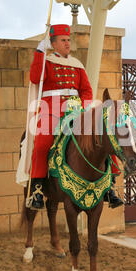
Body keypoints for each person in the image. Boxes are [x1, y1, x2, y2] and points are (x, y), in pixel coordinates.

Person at [28, 23, 123, 209]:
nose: (67, 44)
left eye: (68, 40)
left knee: (102, 138)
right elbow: (34, 77)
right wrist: (39, 53)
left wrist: (84, 107)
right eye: (63, 40)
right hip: (52, 111)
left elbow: (86, 90)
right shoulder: (45, 62)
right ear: (53, 44)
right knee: (42, 143)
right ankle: (37, 190)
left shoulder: (76, 65)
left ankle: (110, 187)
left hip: (76, 111)